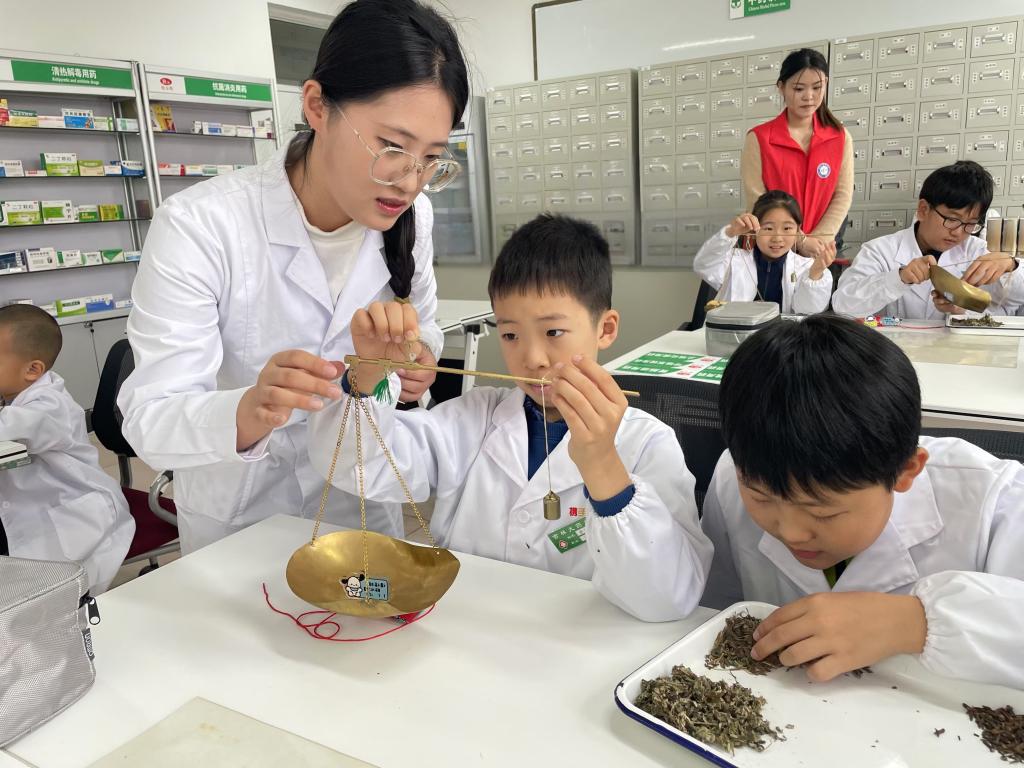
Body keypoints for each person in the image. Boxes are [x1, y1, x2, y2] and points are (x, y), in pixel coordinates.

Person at [117, 0, 469, 552]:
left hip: (361, 503)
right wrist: (250, 408)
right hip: (240, 520)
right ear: (317, 106)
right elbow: (151, 418)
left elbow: (422, 325)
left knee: (369, 606)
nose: (410, 181)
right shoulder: (201, 224)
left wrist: (414, 359)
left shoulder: (413, 217)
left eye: (432, 159)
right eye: (393, 147)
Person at [308, 215, 713, 622]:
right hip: (465, 632)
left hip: (580, 643)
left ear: (605, 329)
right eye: (510, 335)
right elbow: (356, 467)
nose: (532, 359)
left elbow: (667, 599)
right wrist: (367, 376)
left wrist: (603, 466)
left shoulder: (647, 444)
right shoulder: (473, 419)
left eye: (553, 333)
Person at [700, 315, 1024, 689]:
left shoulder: (996, 500)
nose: (790, 532)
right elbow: (716, 606)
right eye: (761, 498)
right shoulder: (735, 473)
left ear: (906, 471)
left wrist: (915, 623)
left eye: (823, 511)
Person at [0, 305, 133, 593]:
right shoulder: (15, 395)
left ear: (32, 370)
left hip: (74, 515)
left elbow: (8, 429)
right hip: (31, 507)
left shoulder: (50, 405)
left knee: (52, 597)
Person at [832, 161, 1023, 319]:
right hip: (893, 349)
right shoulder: (880, 250)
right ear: (923, 210)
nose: (958, 233)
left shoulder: (976, 250)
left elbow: (1014, 302)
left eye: (970, 224)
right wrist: (898, 278)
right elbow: (842, 306)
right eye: (952, 219)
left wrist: (1011, 265)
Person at [741, 48, 853, 260]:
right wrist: (799, 240)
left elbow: (842, 195)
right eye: (799, 88)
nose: (809, 96)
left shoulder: (840, 137)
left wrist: (817, 241)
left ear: (826, 84)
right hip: (775, 248)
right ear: (781, 87)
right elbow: (758, 200)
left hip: (822, 248)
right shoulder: (759, 139)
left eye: (817, 87)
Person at [693, 190, 833, 314]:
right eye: (768, 228)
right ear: (754, 229)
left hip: (782, 336)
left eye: (787, 228)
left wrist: (815, 274)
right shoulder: (734, 261)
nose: (777, 238)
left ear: (797, 230)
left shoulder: (807, 267)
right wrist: (730, 232)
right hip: (736, 334)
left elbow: (809, 312)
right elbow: (703, 265)